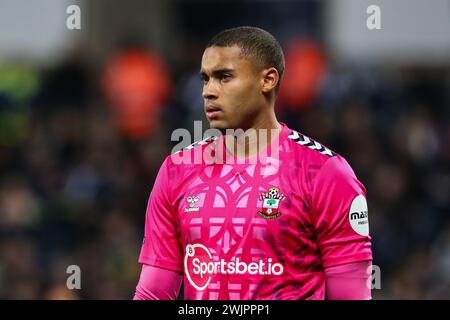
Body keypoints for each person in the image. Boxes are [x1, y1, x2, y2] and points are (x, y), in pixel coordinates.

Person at [133, 26, 372, 300]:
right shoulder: (177, 170)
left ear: (268, 80)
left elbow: (350, 296)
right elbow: (154, 292)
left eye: (224, 77)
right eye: (205, 79)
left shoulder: (325, 173)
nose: (208, 91)